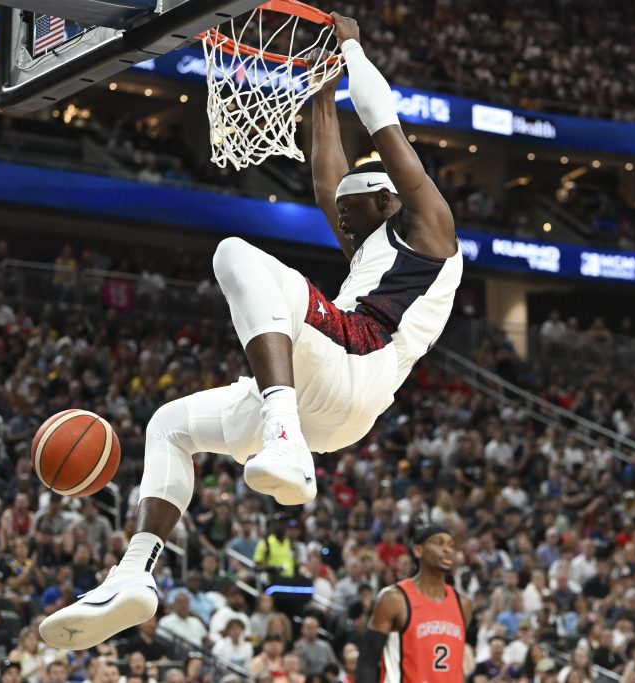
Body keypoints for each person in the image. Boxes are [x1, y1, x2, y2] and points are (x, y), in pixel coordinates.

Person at [40, 9, 462, 651]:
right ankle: (134, 574)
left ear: (384, 202)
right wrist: (322, 86)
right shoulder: (379, 253)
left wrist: (352, 54)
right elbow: (328, 182)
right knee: (169, 425)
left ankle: (283, 435)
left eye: (351, 215)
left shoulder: (430, 225)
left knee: (236, 253)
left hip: (353, 361)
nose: (340, 223)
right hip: (341, 407)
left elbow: (385, 126)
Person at [357, 524, 472, 683]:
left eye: (451, 545)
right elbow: (367, 662)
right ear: (418, 551)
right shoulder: (394, 599)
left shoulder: (463, 604)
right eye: (439, 543)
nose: (447, 550)